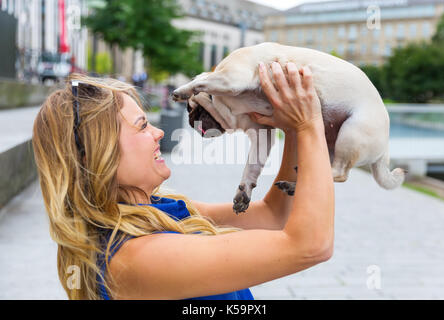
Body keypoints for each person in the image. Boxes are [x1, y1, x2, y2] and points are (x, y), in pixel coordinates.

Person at [31, 61, 334, 300]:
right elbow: (310, 246)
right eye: (141, 127)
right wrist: (309, 125)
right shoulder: (134, 258)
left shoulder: (158, 211)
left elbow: (273, 216)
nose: (158, 133)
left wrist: (293, 128)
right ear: (98, 153)